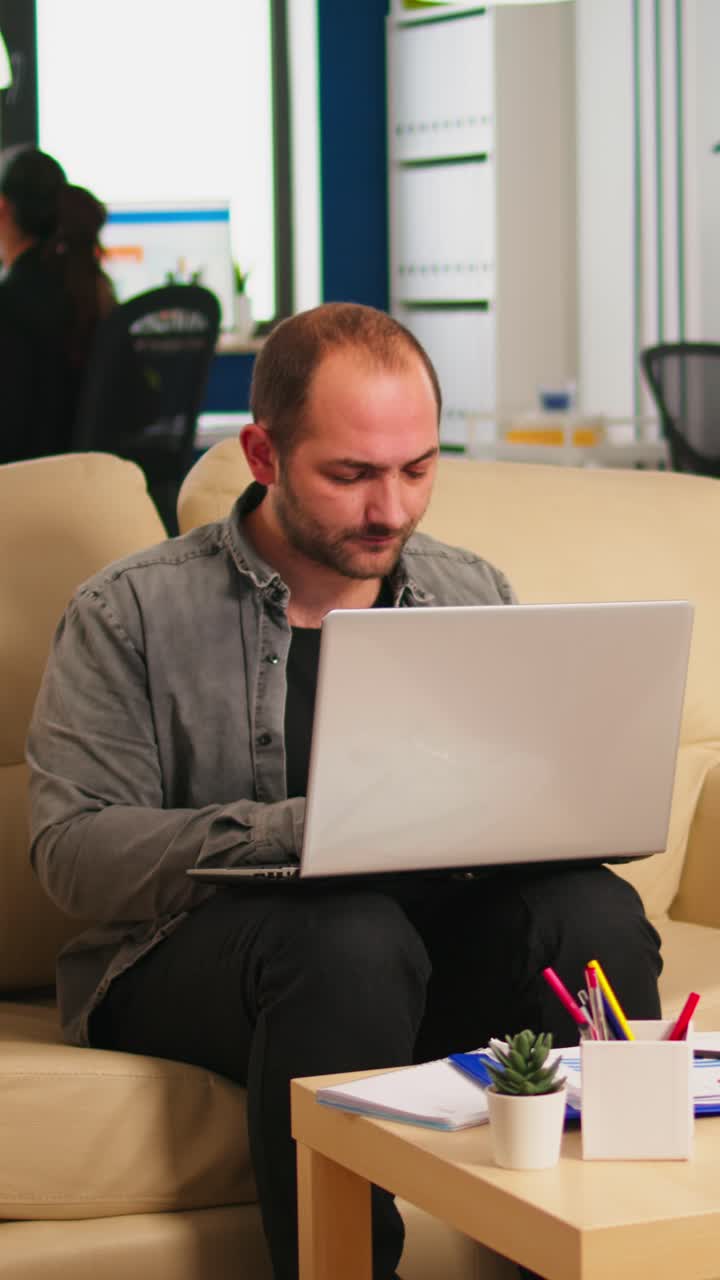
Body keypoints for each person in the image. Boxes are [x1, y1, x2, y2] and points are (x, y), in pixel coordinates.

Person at [26, 303, 662, 1280]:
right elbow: (72, 853)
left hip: (429, 943)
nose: (393, 509)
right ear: (262, 452)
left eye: (418, 467)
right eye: (353, 475)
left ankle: (622, 1252)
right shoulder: (132, 609)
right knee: (346, 935)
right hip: (209, 960)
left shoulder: (469, 589)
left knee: (597, 917)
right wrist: (307, 832)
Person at [0, 145, 115, 463]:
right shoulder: (90, 289)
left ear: (2, 209)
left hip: (23, 488)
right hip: (86, 484)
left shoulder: (10, 301)